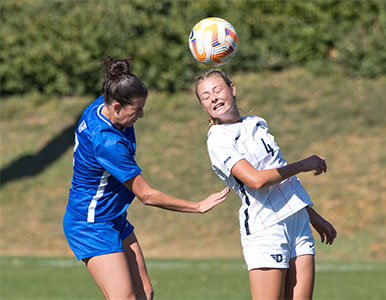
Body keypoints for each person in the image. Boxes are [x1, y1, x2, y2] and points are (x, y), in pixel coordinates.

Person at [63, 57, 229, 300]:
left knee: (145, 293)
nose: (141, 115)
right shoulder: (108, 142)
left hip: (112, 216)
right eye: (136, 110)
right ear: (117, 107)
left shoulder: (102, 106)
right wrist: (198, 206)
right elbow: (148, 196)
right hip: (90, 224)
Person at [194, 69, 337, 300]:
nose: (214, 98)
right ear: (203, 106)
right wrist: (303, 164)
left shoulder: (257, 124)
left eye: (218, 90)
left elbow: (281, 174)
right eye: (205, 96)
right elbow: (256, 180)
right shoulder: (218, 139)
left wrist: (313, 216)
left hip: (297, 222)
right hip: (266, 226)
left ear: (232, 89)